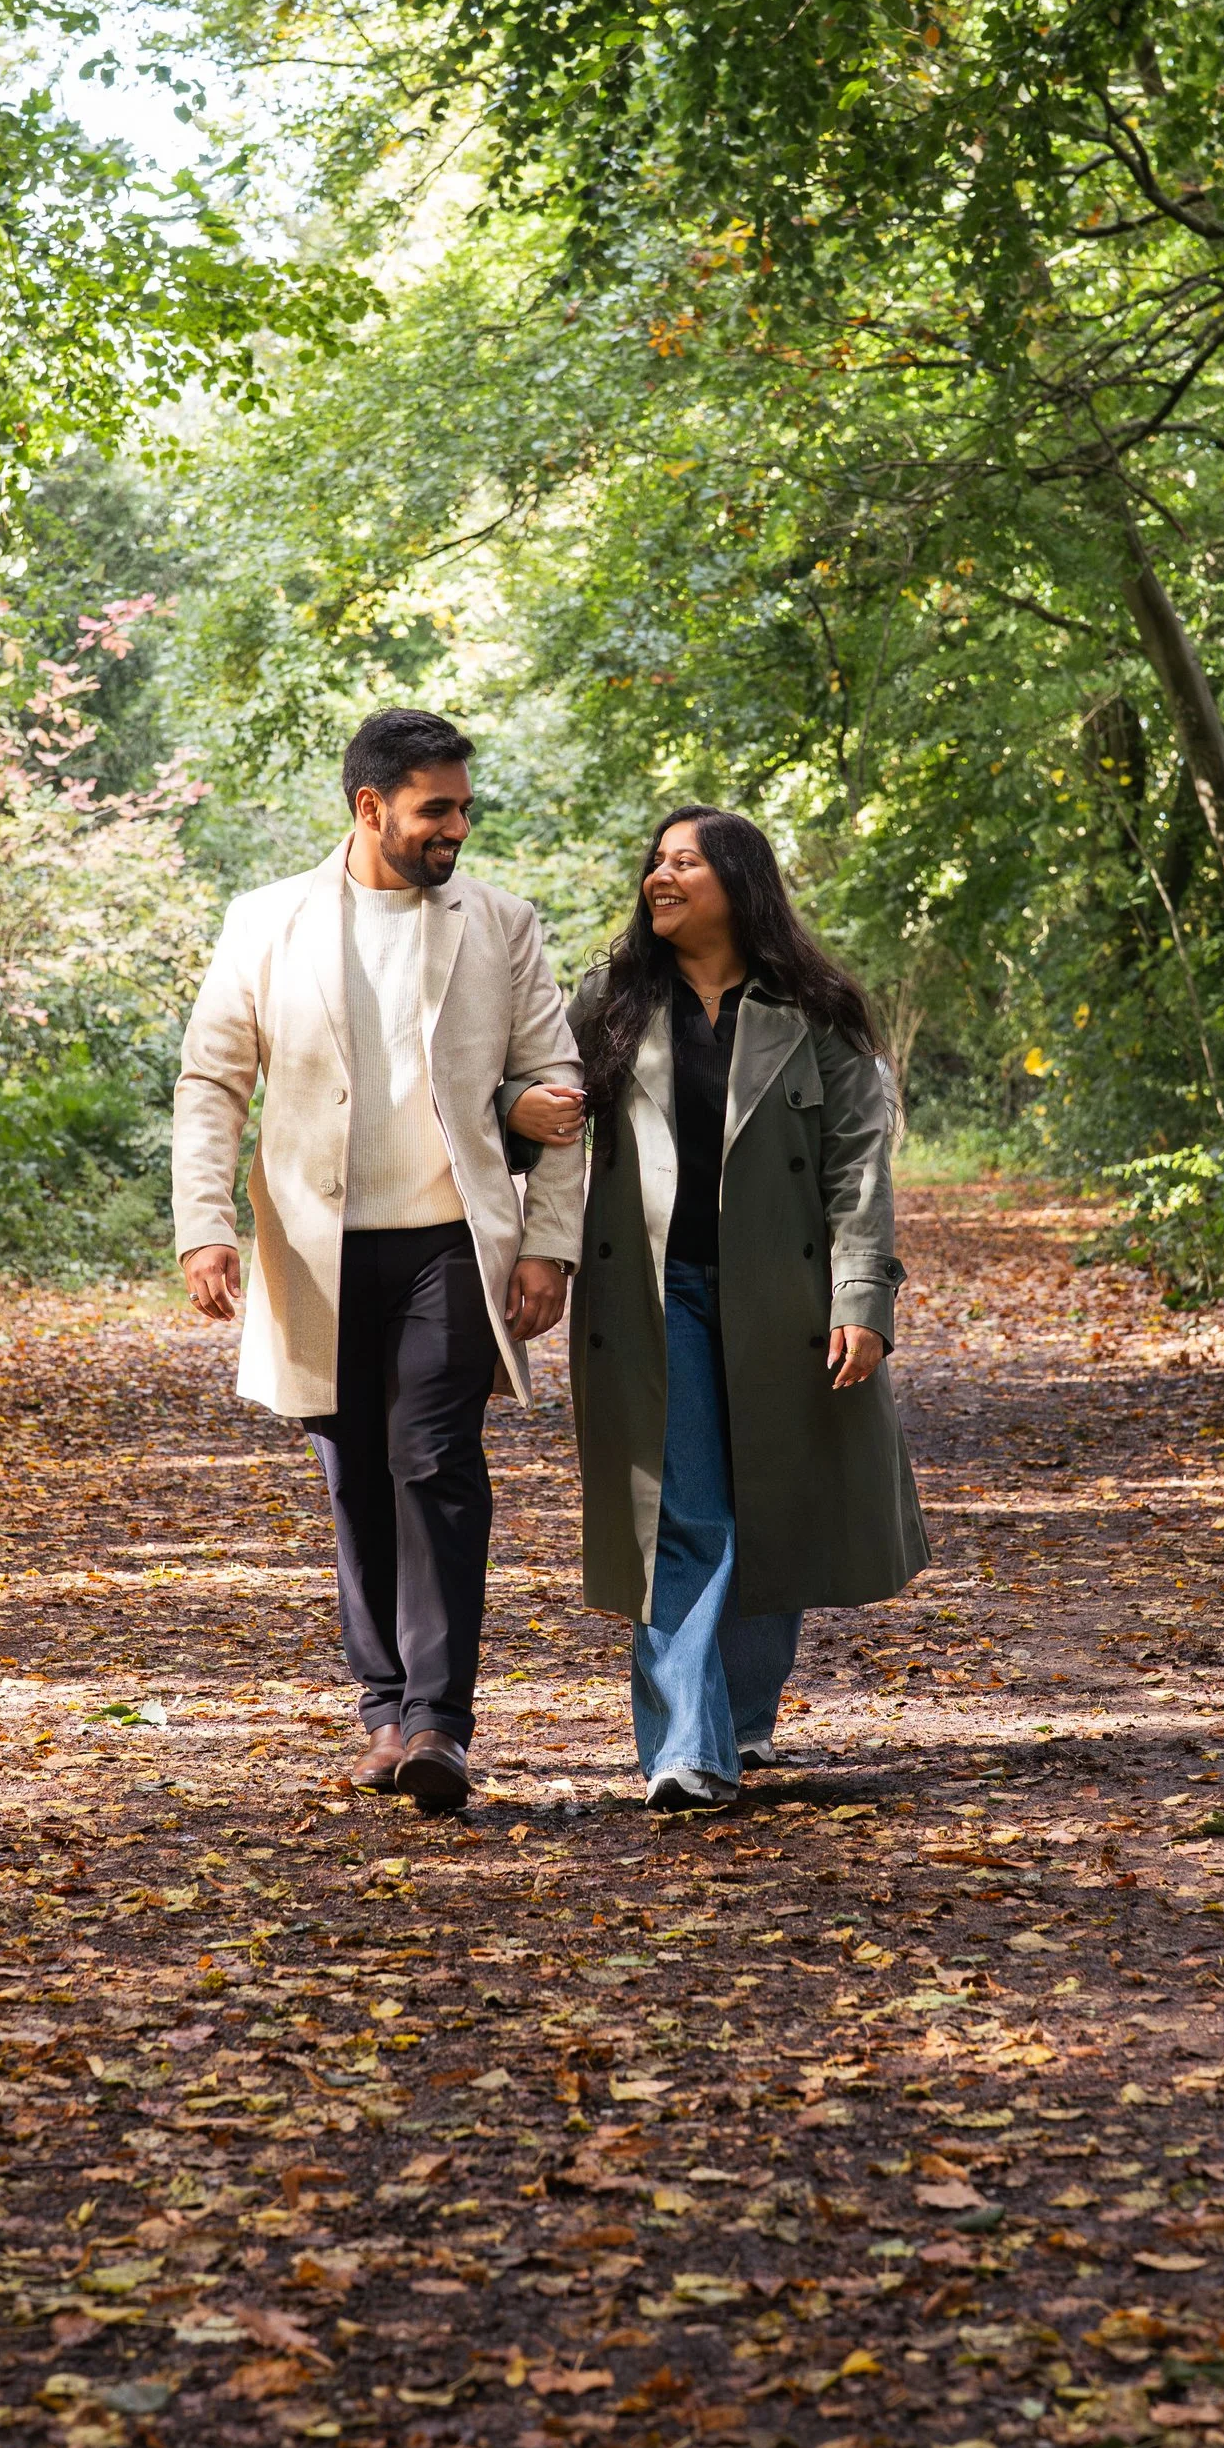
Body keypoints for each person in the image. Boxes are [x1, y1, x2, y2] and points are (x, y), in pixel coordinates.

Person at [173, 708, 587, 1815]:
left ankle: (440, 1727)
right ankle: (383, 1709)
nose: (456, 826)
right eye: (434, 809)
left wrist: (549, 1243)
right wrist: (203, 1224)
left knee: (434, 1461)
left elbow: (559, 1086)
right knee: (354, 1474)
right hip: (315, 1250)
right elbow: (212, 1081)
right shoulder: (267, 922)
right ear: (371, 808)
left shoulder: (499, 923)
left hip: (452, 1240)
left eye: (462, 806)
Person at [565, 807, 928, 1812]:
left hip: (786, 1300)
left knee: (772, 1502)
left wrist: (862, 1297)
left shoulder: (818, 1009)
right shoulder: (611, 1000)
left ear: (738, 881)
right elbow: (544, 1125)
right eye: (656, 861)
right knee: (682, 1514)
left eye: (685, 861)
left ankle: (741, 1713)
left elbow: (859, 1165)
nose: (660, 876)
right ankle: (687, 1746)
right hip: (651, 1297)